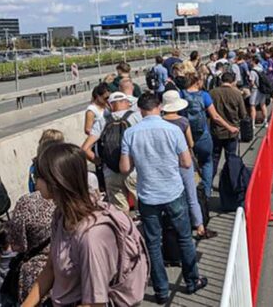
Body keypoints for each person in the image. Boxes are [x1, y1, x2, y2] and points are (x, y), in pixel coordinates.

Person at [22, 143, 148, 307]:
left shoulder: (92, 236)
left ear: (56, 182)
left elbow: (94, 304)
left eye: (38, 177)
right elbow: (50, 268)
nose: (36, 184)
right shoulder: (60, 215)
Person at [120, 93, 208, 303]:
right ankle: (192, 280)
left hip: (148, 195)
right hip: (172, 191)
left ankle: (161, 290)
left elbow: (124, 167)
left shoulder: (131, 133)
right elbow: (186, 163)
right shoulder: (173, 130)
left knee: (153, 243)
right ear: (159, 107)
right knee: (184, 237)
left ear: (140, 110)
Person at [81, 92, 141, 213]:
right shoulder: (136, 117)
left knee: (120, 210)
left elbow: (84, 149)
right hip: (133, 169)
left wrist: (99, 162)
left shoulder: (103, 121)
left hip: (110, 172)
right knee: (143, 206)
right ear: (127, 102)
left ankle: (125, 230)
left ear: (110, 104)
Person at [181, 73, 239, 198]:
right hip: (202, 135)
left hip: (185, 135)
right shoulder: (204, 95)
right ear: (197, 82)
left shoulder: (181, 94)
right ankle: (206, 193)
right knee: (207, 162)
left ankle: (190, 193)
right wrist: (230, 127)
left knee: (187, 164)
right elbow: (215, 116)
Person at [162, 90, 208, 238]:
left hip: (167, 163)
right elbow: (191, 143)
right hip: (184, 161)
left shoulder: (161, 122)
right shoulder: (183, 121)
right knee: (191, 195)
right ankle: (199, 225)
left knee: (172, 195)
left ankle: (175, 226)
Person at [210, 71, 247, 177]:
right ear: (233, 81)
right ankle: (231, 183)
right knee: (231, 158)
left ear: (221, 80)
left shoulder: (212, 93)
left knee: (214, 158)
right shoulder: (237, 94)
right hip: (232, 131)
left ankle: (209, 185)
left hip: (216, 130)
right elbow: (243, 114)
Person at [249, 56, 270, 128]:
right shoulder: (261, 69)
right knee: (263, 105)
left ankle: (253, 124)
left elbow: (252, 82)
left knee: (252, 106)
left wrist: (250, 87)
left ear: (253, 61)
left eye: (251, 60)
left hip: (255, 90)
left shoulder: (252, 71)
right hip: (262, 89)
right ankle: (265, 121)